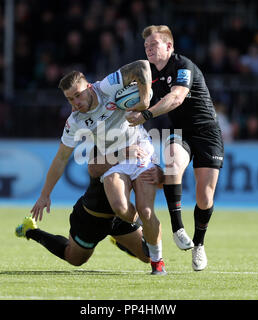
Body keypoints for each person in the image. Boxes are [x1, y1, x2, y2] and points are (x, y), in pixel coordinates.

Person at [30, 60, 167, 275]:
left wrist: (145, 99)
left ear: (89, 87)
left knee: (146, 209)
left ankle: (158, 264)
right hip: (114, 160)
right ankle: (140, 227)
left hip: (140, 149)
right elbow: (60, 159)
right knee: (121, 208)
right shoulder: (75, 121)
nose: (75, 103)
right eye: (70, 99)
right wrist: (45, 195)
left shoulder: (107, 87)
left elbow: (142, 66)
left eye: (78, 95)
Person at [126, 25, 224, 271]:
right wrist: (128, 111)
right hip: (180, 133)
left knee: (205, 197)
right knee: (171, 164)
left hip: (207, 133)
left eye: (154, 44)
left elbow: (176, 97)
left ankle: (199, 245)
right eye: (146, 46)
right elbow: (144, 100)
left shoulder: (183, 66)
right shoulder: (149, 73)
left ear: (169, 46)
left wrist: (146, 114)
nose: (149, 49)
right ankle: (178, 229)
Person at [16, 149, 164, 269]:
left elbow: (156, 177)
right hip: (92, 219)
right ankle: (31, 231)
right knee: (75, 259)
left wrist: (159, 172)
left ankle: (118, 239)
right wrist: (45, 195)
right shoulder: (101, 142)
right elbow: (93, 169)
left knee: (148, 256)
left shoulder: (139, 142)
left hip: (121, 217)